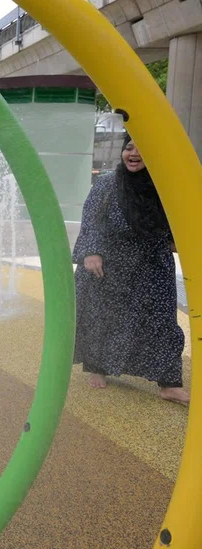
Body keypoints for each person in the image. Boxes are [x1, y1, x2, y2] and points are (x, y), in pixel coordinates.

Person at [73, 135, 188, 405]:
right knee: (103, 317)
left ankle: (169, 383)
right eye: (128, 147)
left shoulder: (165, 186)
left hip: (151, 262)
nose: (133, 154)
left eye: (141, 148)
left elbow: (180, 220)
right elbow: (92, 218)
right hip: (111, 262)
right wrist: (91, 252)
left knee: (162, 321)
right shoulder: (108, 183)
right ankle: (98, 367)